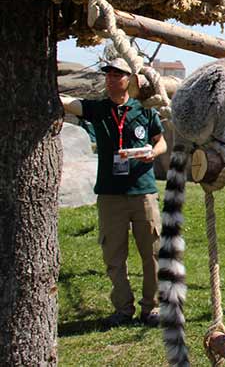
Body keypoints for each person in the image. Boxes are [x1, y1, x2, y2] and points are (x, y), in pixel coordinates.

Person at [60, 58, 167, 327]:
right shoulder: (98, 109)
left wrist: (152, 154)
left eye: (116, 75)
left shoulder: (144, 111)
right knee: (114, 256)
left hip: (143, 192)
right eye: (107, 75)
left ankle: (151, 308)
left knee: (152, 253)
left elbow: (161, 141)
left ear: (129, 80)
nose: (109, 79)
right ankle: (123, 308)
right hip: (110, 195)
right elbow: (67, 103)